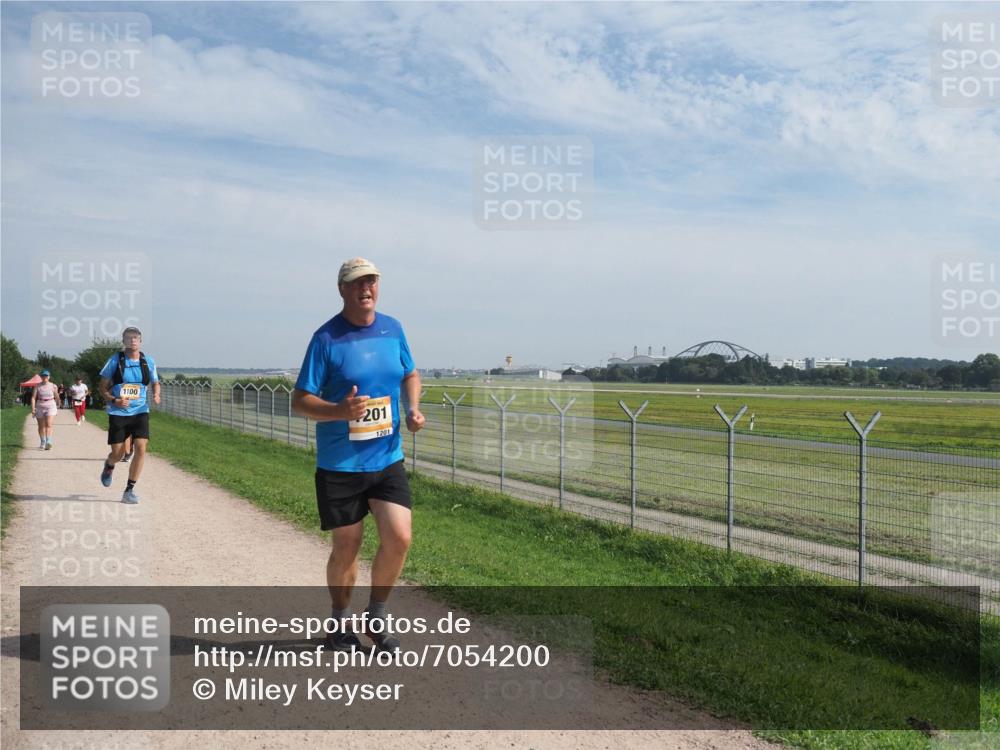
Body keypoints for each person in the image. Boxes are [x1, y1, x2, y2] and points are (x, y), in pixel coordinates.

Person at [291, 257, 425, 654]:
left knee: (400, 537)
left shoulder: (393, 328)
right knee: (347, 547)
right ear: (343, 290)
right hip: (341, 465)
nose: (366, 288)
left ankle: (377, 615)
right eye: (357, 283)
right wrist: (338, 411)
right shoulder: (326, 339)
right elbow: (300, 400)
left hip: (386, 457)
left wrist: (413, 408)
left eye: (372, 281)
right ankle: (339, 621)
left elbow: (410, 373)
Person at [97, 327, 160, 504]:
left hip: (140, 410)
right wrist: (114, 400)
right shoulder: (115, 361)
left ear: (140, 341)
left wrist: (156, 394)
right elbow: (102, 387)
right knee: (118, 453)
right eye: (129, 338)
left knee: (141, 447)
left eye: (136, 338)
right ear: (123, 341)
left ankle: (129, 490)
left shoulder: (148, 361)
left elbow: (156, 382)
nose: (133, 340)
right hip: (118, 411)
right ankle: (109, 465)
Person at [30, 370, 59, 450]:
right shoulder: (37, 386)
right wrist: (33, 409)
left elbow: (56, 396)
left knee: (49, 424)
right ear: (41, 377)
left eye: (46, 376)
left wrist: (58, 403)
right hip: (40, 406)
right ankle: (43, 441)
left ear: (49, 377)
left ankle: (48, 441)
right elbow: (33, 397)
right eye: (43, 376)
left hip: (51, 405)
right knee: (41, 426)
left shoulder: (53, 386)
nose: (44, 377)